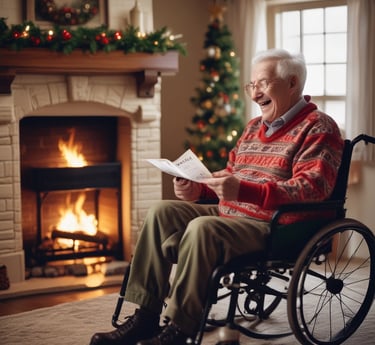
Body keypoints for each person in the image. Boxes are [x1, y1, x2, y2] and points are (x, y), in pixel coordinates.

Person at [89, 48, 344, 345]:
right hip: (233, 215)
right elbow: (233, 173)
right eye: (251, 85)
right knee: (161, 211)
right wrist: (200, 188)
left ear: (292, 83)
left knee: (202, 228)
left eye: (263, 83)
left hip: (277, 226)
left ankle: (179, 329)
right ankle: (146, 316)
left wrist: (245, 191)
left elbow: (312, 189)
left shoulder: (319, 127)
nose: (254, 92)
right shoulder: (253, 127)